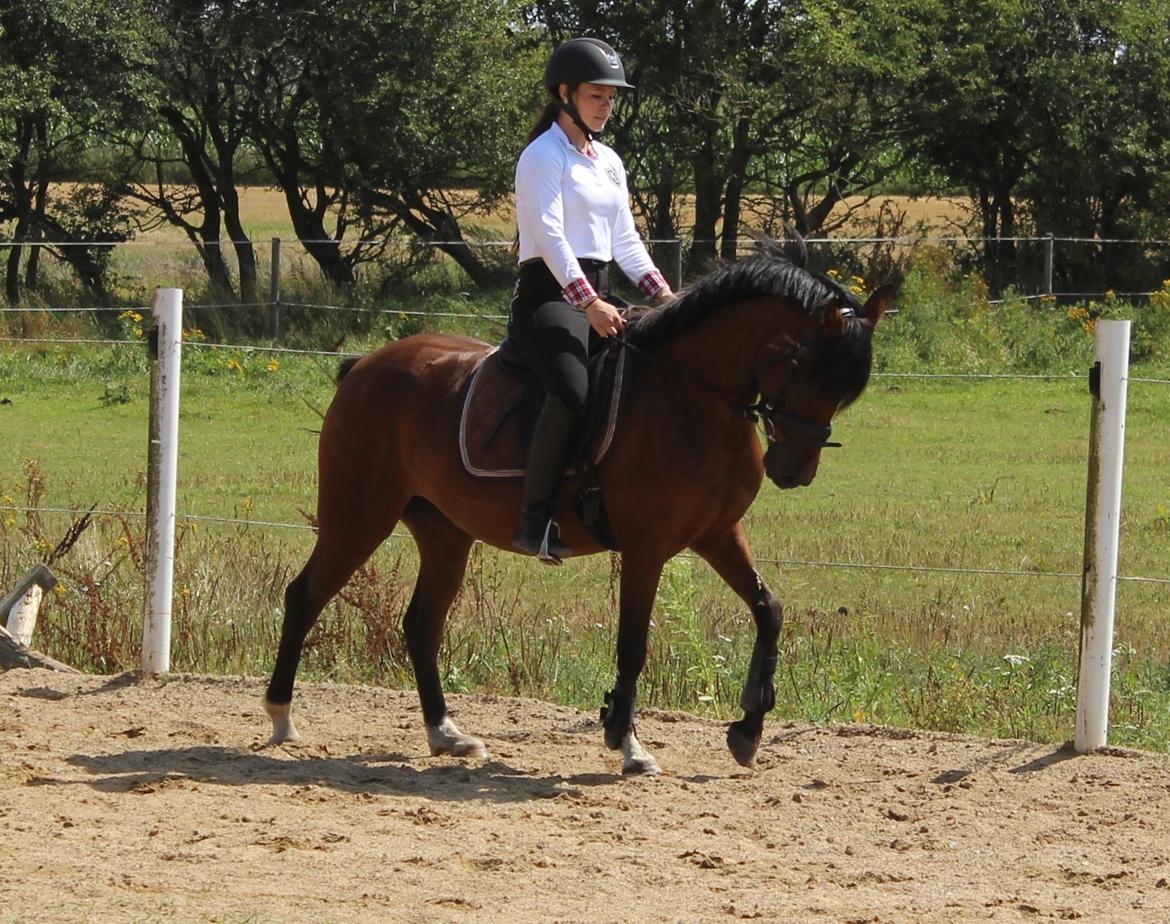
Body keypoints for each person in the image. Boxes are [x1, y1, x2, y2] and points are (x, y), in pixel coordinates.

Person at [508, 37, 675, 565]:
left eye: (611, 98)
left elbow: (625, 241)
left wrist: (665, 296)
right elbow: (550, 238)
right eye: (596, 96)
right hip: (548, 298)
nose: (606, 106)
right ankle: (534, 520)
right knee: (572, 390)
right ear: (565, 94)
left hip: (598, 294)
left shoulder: (608, 162)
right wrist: (587, 303)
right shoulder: (541, 156)